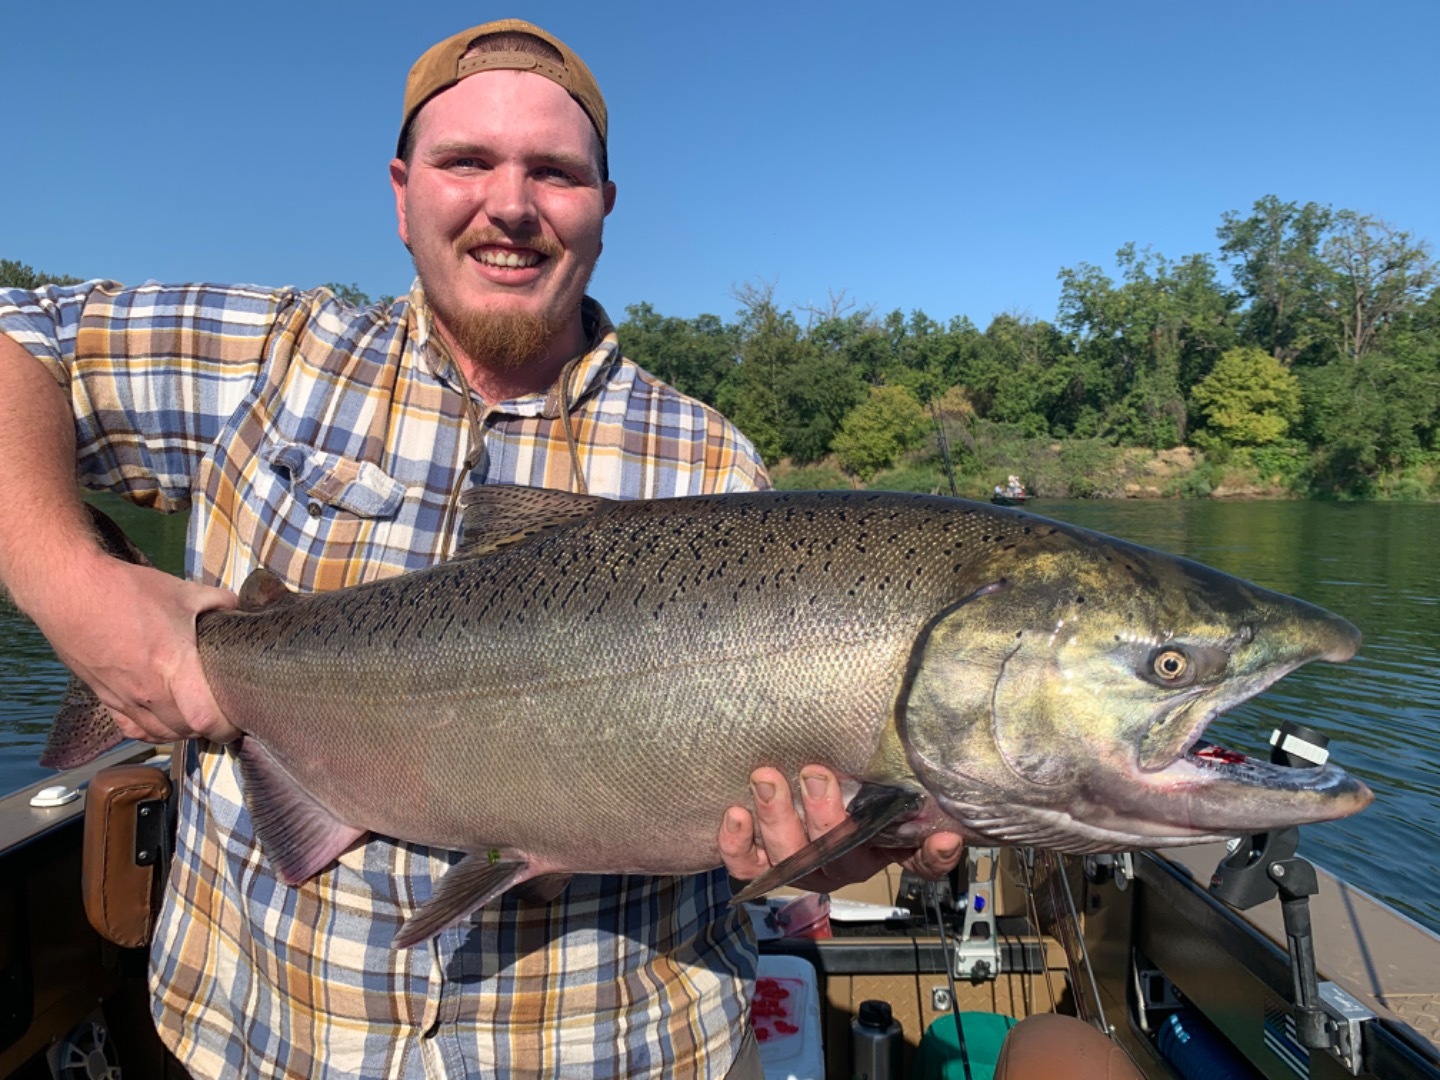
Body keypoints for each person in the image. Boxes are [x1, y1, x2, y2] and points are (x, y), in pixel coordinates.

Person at [0, 19, 963, 1078]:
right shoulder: (269, 359)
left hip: (619, 1052)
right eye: (468, 162)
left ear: (604, 205)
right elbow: (18, 337)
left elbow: (767, 830)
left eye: (555, 172)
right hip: (264, 1042)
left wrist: (824, 852)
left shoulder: (714, 465)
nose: (511, 204)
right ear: (403, 191)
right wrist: (74, 584)